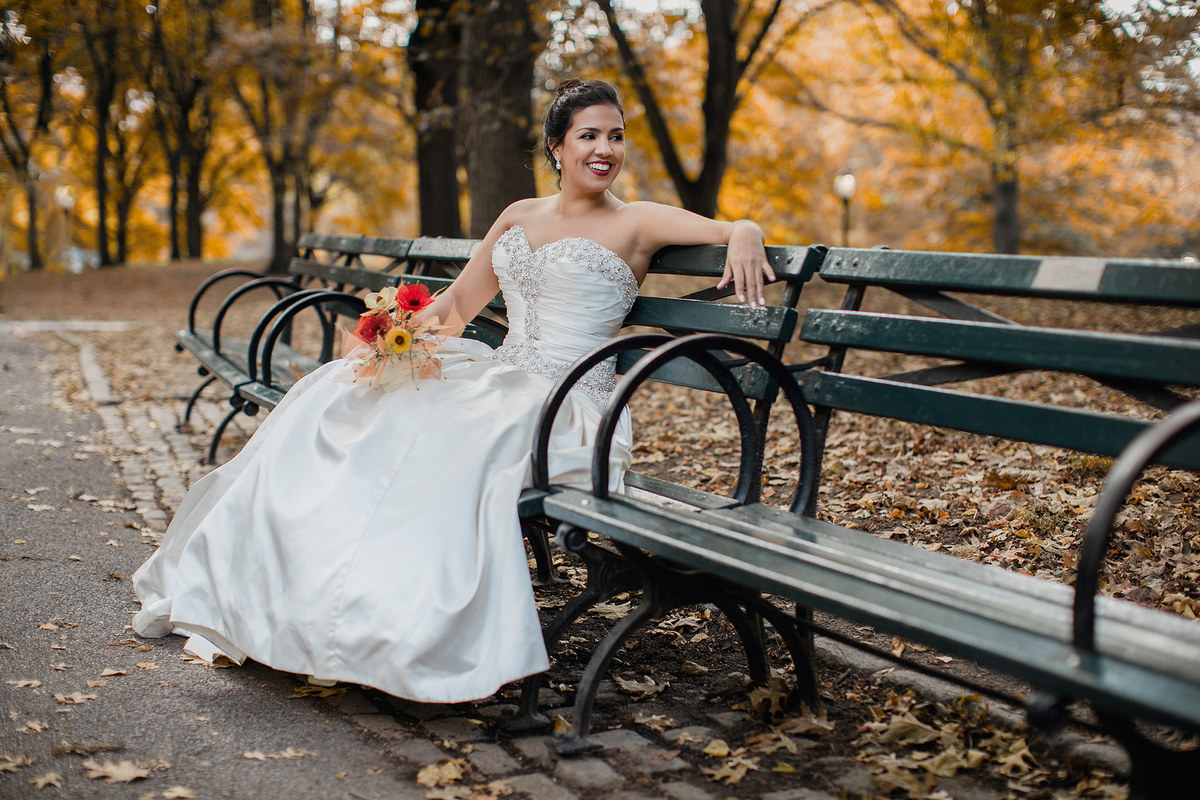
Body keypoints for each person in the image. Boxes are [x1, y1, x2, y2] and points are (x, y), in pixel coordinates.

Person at [131, 78, 774, 703]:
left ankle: (385, 628)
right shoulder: (519, 216)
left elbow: (728, 228)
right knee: (352, 403)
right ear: (557, 146)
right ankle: (309, 599)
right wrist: (391, 334)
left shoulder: (637, 221)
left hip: (570, 403)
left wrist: (743, 229)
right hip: (503, 375)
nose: (604, 149)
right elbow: (462, 302)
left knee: (444, 441)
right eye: (588, 136)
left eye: (615, 136)